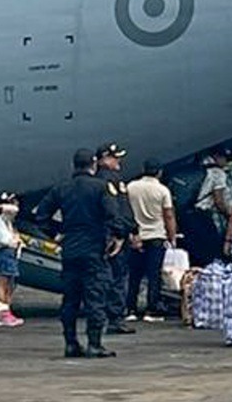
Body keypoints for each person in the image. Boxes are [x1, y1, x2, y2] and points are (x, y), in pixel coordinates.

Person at [34, 149, 127, 358]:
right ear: (93, 164)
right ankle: (94, 343)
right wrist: (118, 236)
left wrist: (56, 233)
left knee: (70, 299)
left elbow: (41, 215)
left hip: (70, 248)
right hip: (94, 248)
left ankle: (70, 342)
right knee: (96, 296)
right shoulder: (101, 187)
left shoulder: (61, 188)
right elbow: (113, 215)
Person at [125, 158, 177, 322]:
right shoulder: (162, 190)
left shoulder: (131, 187)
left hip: (136, 235)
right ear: (159, 172)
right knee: (153, 274)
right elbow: (168, 215)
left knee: (134, 274)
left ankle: (130, 309)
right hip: (156, 235)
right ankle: (151, 310)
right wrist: (172, 236)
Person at [95, 143, 138, 334]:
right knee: (117, 277)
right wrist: (125, 232)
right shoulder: (111, 181)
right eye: (115, 157)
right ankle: (115, 318)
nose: (118, 161)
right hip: (114, 237)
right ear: (105, 159)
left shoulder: (95, 180)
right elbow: (119, 210)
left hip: (100, 235)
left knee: (102, 277)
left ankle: (101, 316)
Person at [0, 192, 25, 327]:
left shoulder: (7, 222)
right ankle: (3, 314)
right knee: (4, 283)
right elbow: (12, 209)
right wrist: (9, 203)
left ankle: (6, 310)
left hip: (10, 253)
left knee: (11, 283)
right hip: (5, 251)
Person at [195, 151, 232, 261]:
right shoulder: (218, 173)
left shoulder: (202, 170)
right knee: (212, 247)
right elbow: (219, 200)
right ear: (216, 157)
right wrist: (228, 214)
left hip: (192, 212)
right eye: (224, 157)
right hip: (204, 214)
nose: (226, 160)